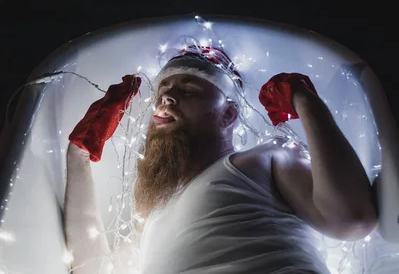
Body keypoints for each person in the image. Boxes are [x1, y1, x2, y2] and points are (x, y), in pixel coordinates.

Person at [64, 52, 378, 274]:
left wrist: (305, 100)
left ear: (228, 114)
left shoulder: (261, 159)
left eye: (187, 89)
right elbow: (93, 270)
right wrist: (78, 156)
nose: (166, 98)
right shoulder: (151, 222)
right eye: (162, 91)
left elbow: (351, 219)